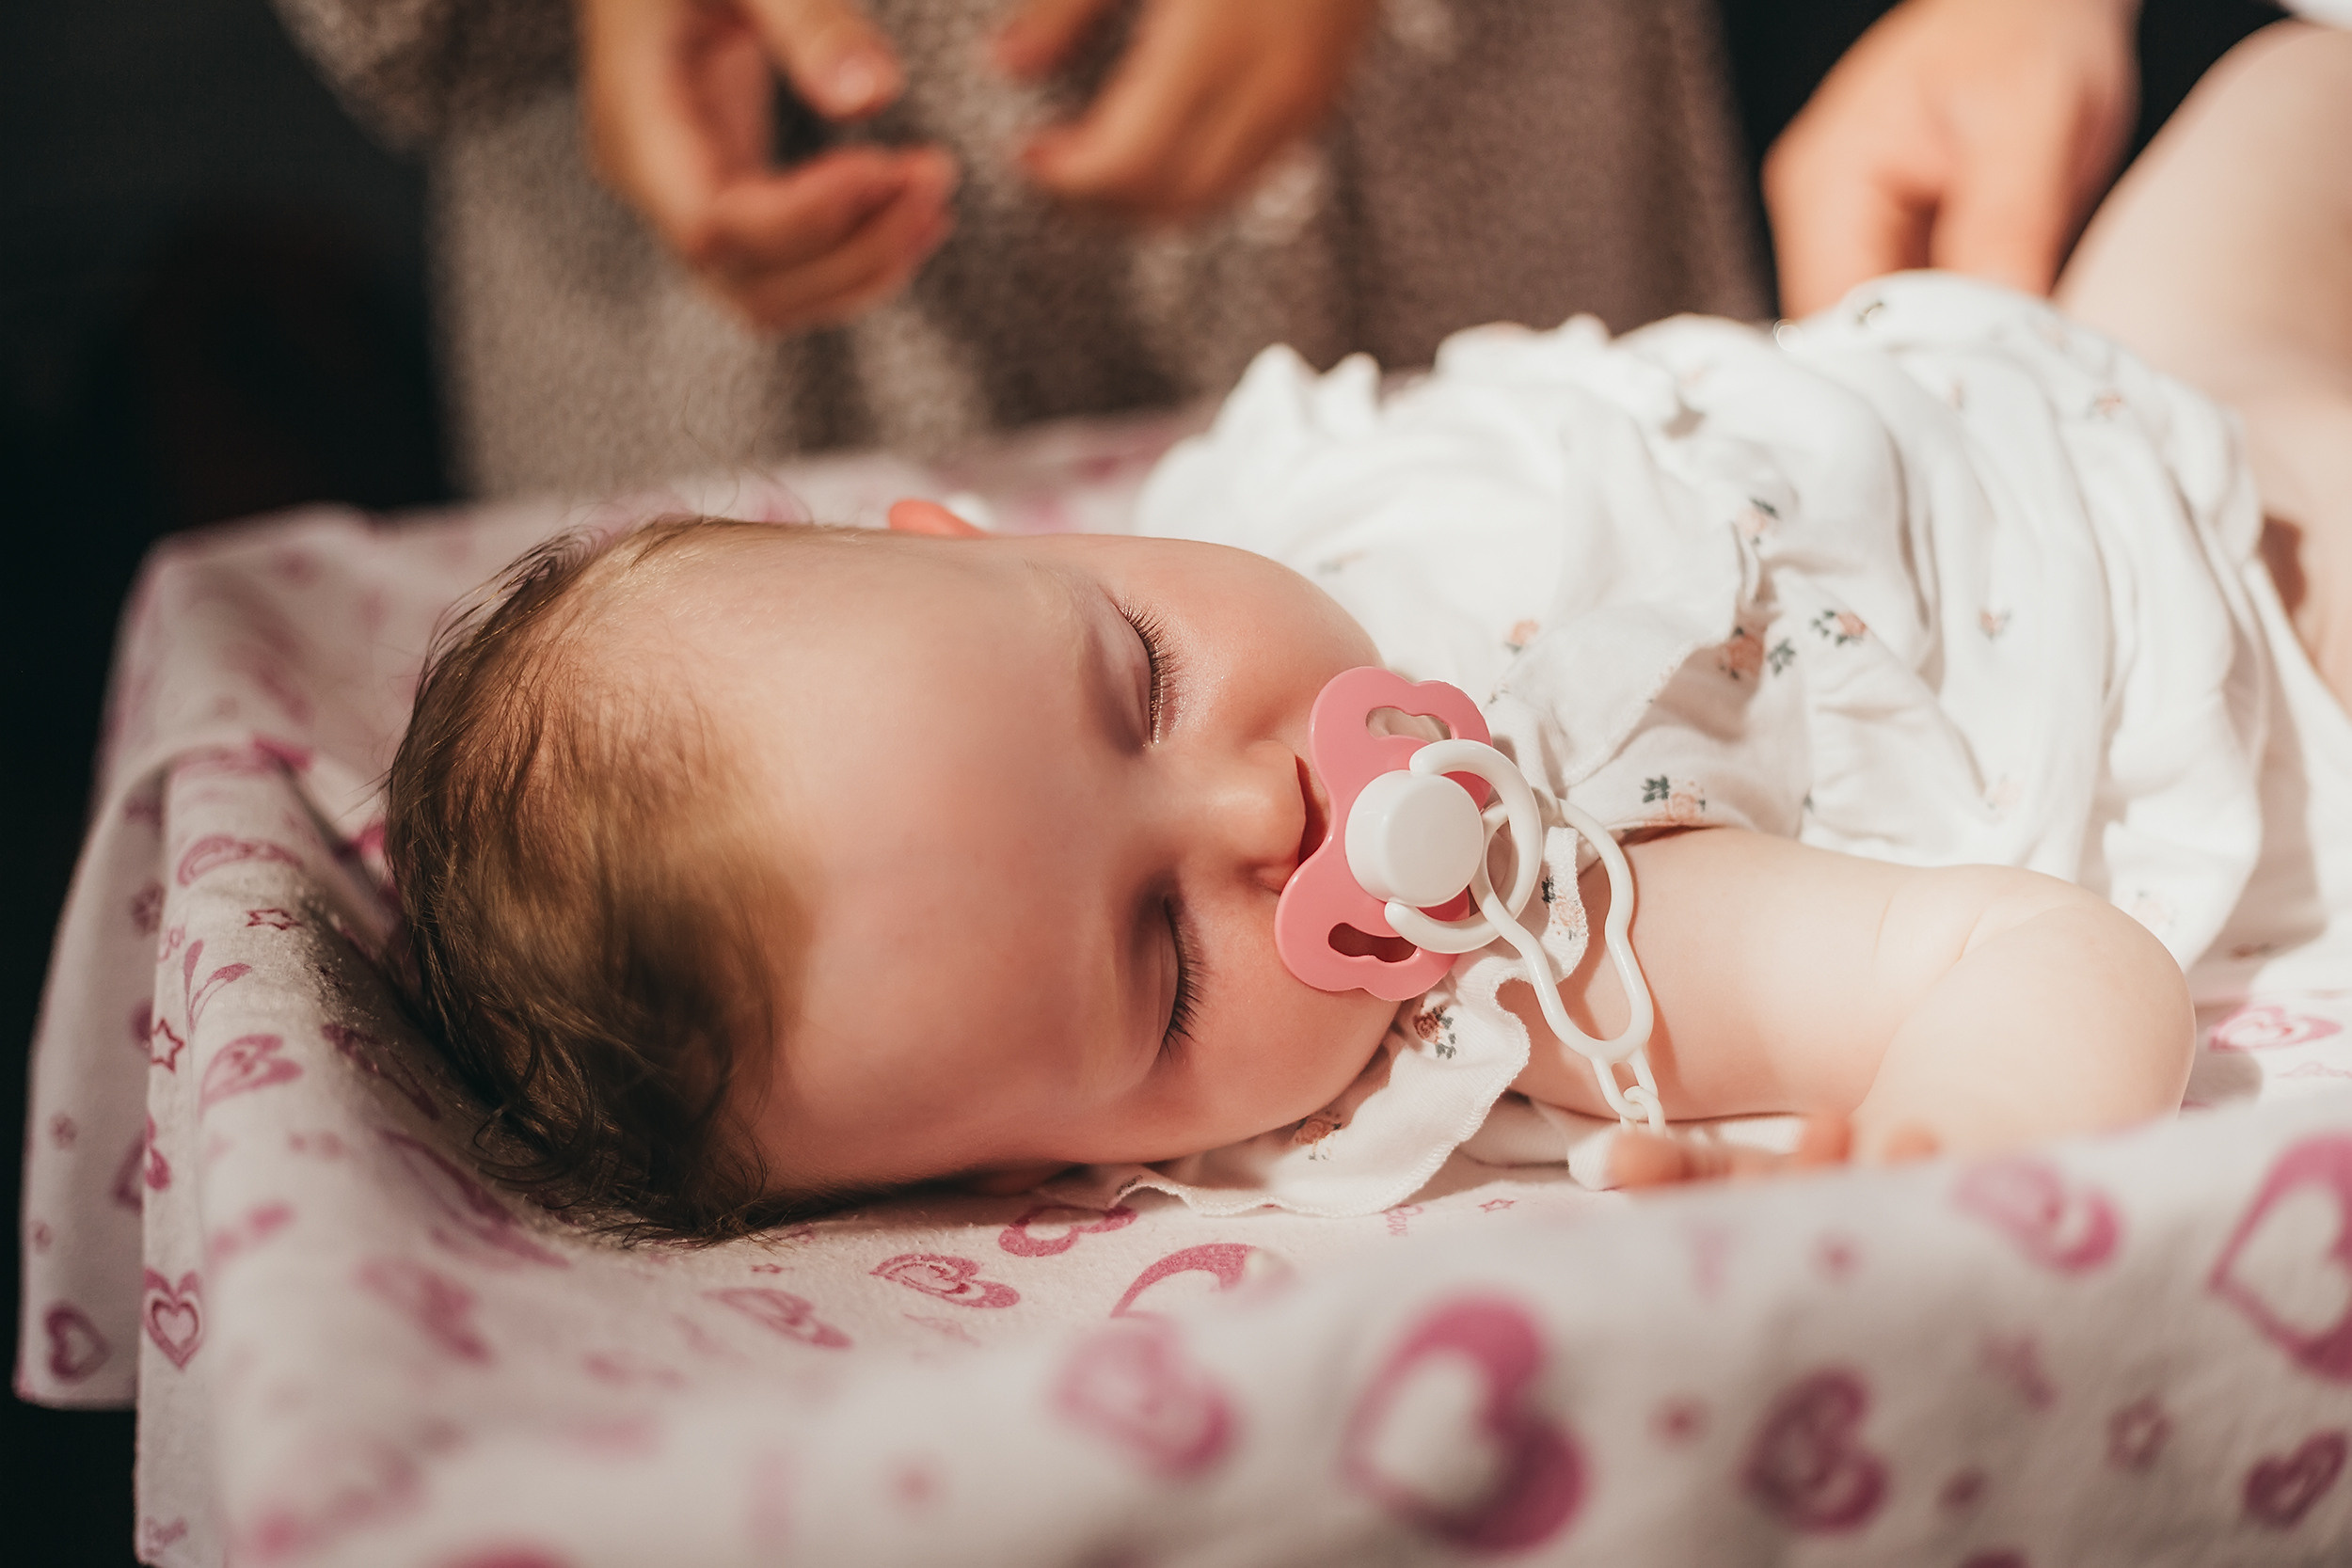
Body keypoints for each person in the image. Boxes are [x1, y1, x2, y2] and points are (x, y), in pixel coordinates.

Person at [384, 21, 2351, 1240]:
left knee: (2289, 75)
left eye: (1133, 682)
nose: (1254, 819)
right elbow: (2038, 959)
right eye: (1161, 966)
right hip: (2255, 621)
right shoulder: (1543, 938)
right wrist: (1959, 1151)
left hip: (2080, 365)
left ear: (977, 536)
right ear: (1045, 1173)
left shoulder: (1238, 508)